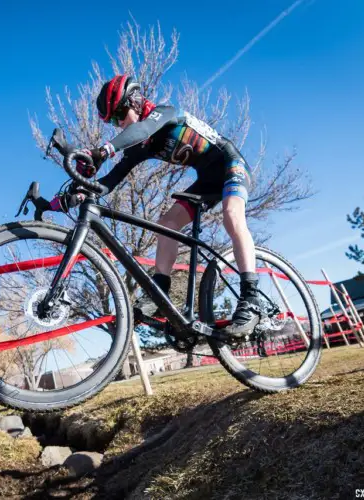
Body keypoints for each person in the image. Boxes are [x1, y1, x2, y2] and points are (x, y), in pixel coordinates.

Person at [52, 74, 261, 337]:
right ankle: (159, 292)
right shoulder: (142, 146)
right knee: (168, 223)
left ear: (135, 102)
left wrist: (103, 150)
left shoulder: (164, 113)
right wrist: (77, 194)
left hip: (231, 166)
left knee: (231, 214)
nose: (118, 125)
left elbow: (139, 130)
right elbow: (110, 181)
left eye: (118, 116)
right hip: (207, 181)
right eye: (113, 122)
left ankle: (250, 298)